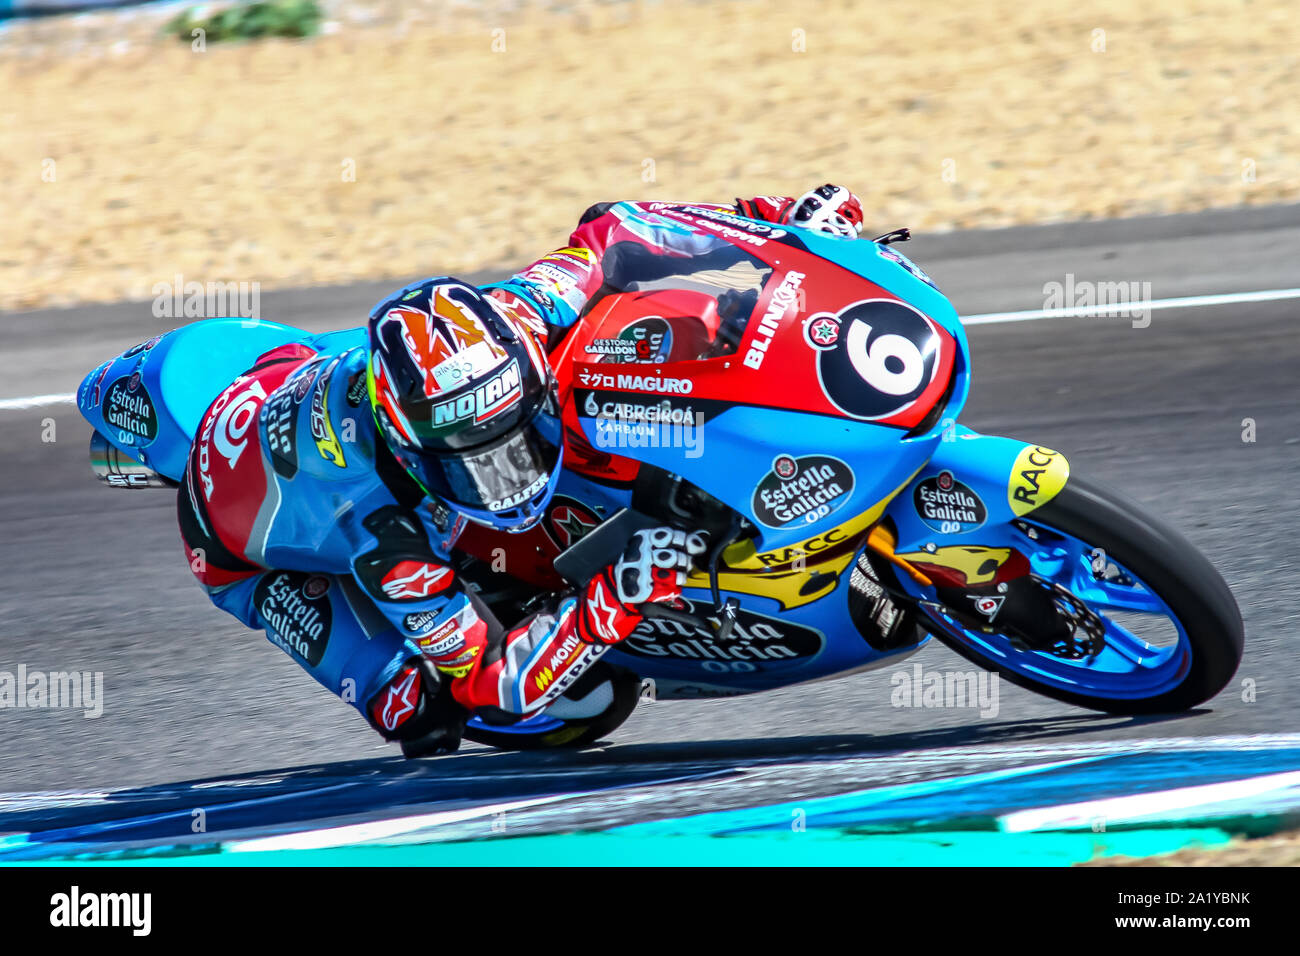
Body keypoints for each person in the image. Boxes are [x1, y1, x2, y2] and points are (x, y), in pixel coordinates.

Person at [177, 184, 864, 755]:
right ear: (411, 445)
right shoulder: (387, 534)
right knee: (425, 709)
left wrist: (783, 225)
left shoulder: (519, 314)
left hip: (303, 372)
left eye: (511, 436)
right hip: (242, 552)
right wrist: (615, 597)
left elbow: (623, 228)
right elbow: (490, 684)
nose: (504, 473)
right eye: (472, 460)